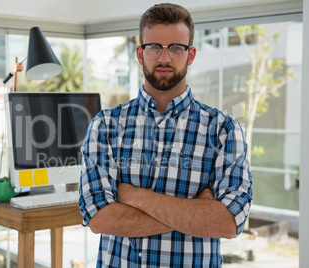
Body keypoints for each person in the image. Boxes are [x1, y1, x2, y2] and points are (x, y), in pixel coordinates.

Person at [79, 3, 253, 267]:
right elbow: (100, 219)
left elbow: (227, 222)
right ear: (140, 53)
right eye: (154, 47)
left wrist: (133, 196)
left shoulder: (223, 130)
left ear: (190, 55)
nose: (164, 58)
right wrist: (195, 212)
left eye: (175, 47)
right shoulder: (105, 125)